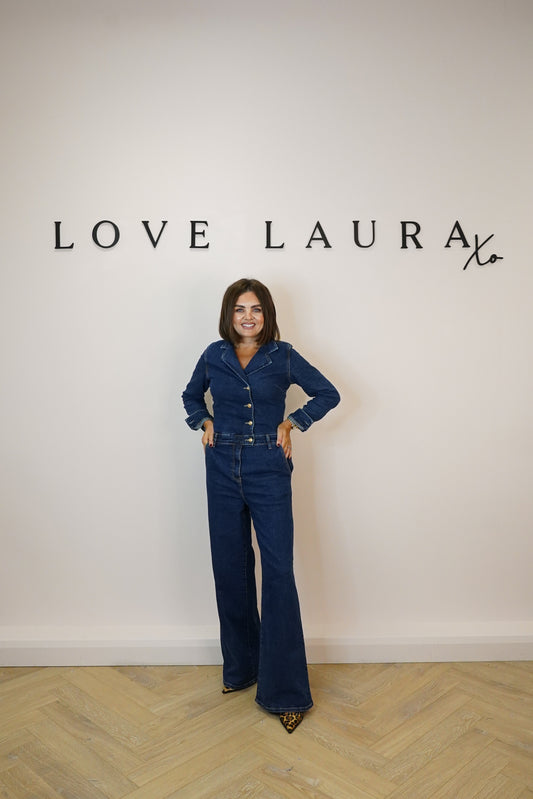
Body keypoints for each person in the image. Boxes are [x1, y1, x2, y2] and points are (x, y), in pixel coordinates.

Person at [182, 278, 340, 733]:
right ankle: (242, 668)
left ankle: (286, 691)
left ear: (267, 314)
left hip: (269, 464)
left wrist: (292, 423)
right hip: (220, 464)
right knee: (230, 568)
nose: (247, 317)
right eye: (239, 309)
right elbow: (190, 396)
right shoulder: (213, 354)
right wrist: (204, 421)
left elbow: (328, 393)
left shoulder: (283, 355)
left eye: (255, 309)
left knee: (278, 573)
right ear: (228, 315)